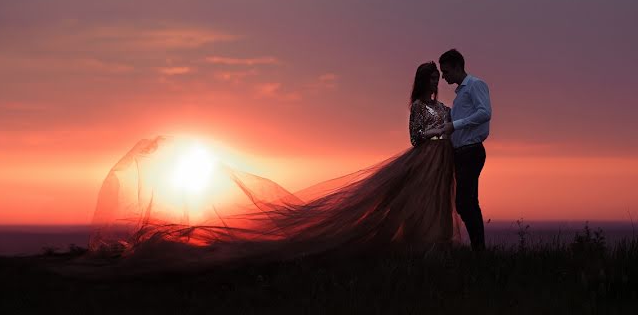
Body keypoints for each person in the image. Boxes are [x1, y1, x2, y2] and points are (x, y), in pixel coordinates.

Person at [83, 62, 463, 272]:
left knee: (436, 205)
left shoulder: (443, 106)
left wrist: (446, 133)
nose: (435, 82)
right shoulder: (419, 108)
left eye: (436, 78)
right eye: (431, 78)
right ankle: (421, 249)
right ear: (422, 81)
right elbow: (415, 137)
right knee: (409, 205)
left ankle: (435, 248)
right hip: (425, 158)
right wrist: (437, 132)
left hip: (441, 160)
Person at [425, 49, 491, 251]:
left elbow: (485, 113)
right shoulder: (461, 93)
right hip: (460, 152)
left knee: (464, 202)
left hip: (471, 151)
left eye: (446, 72)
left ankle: (479, 250)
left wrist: (455, 125)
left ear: (457, 66)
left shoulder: (475, 85)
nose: (443, 77)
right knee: (467, 202)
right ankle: (479, 250)